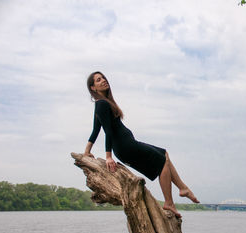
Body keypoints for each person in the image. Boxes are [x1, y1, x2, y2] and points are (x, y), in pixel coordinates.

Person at [83, 71, 199, 218]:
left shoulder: (104, 103)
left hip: (128, 144)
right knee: (162, 162)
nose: (103, 80)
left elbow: (95, 130)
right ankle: (169, 202)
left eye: (104, 78)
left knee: (164, 154)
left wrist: (87, 151)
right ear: (93, 88)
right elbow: (106, 131)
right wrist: (108, 156)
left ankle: (183, 188)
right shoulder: (101, 104)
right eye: (99, 80)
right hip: (126, 147)